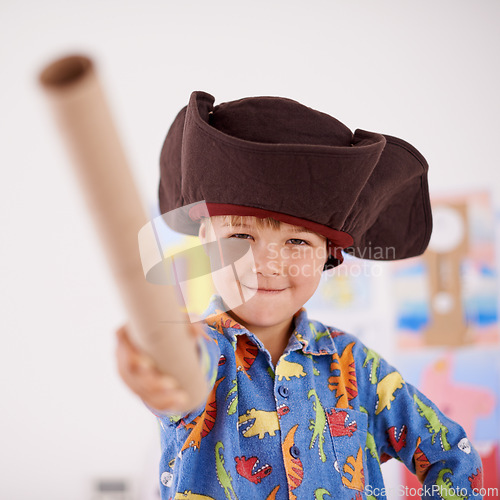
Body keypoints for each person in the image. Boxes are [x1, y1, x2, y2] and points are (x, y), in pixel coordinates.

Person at [116, 92, 483, 499]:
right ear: (205, 242)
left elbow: (452, 454)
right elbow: (177, 375)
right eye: (240, 236)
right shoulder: (202, 353)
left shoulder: (355, 367)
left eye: (296, 241)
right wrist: (155, 363)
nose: (269, 264)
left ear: (328, 255)